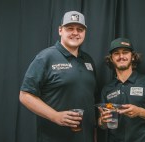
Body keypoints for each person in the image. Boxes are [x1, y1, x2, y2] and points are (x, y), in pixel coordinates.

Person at [19, 11, 98, 142]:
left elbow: (90, 99)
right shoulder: (45, 57)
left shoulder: (88, 60)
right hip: (54, 137)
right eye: (70, 28)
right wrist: (55, 116)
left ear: (84, 32)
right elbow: (25, 95)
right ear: (60, 30)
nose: (75, 33)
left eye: (80, 29)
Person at [98, 38, 145, 142]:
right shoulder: (107, 89)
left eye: (125, 52)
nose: (121, 56)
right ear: (111, 59)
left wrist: (139, 112)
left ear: (133, 57)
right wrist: (102, 121)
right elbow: (102, 125)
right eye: (116, 53)